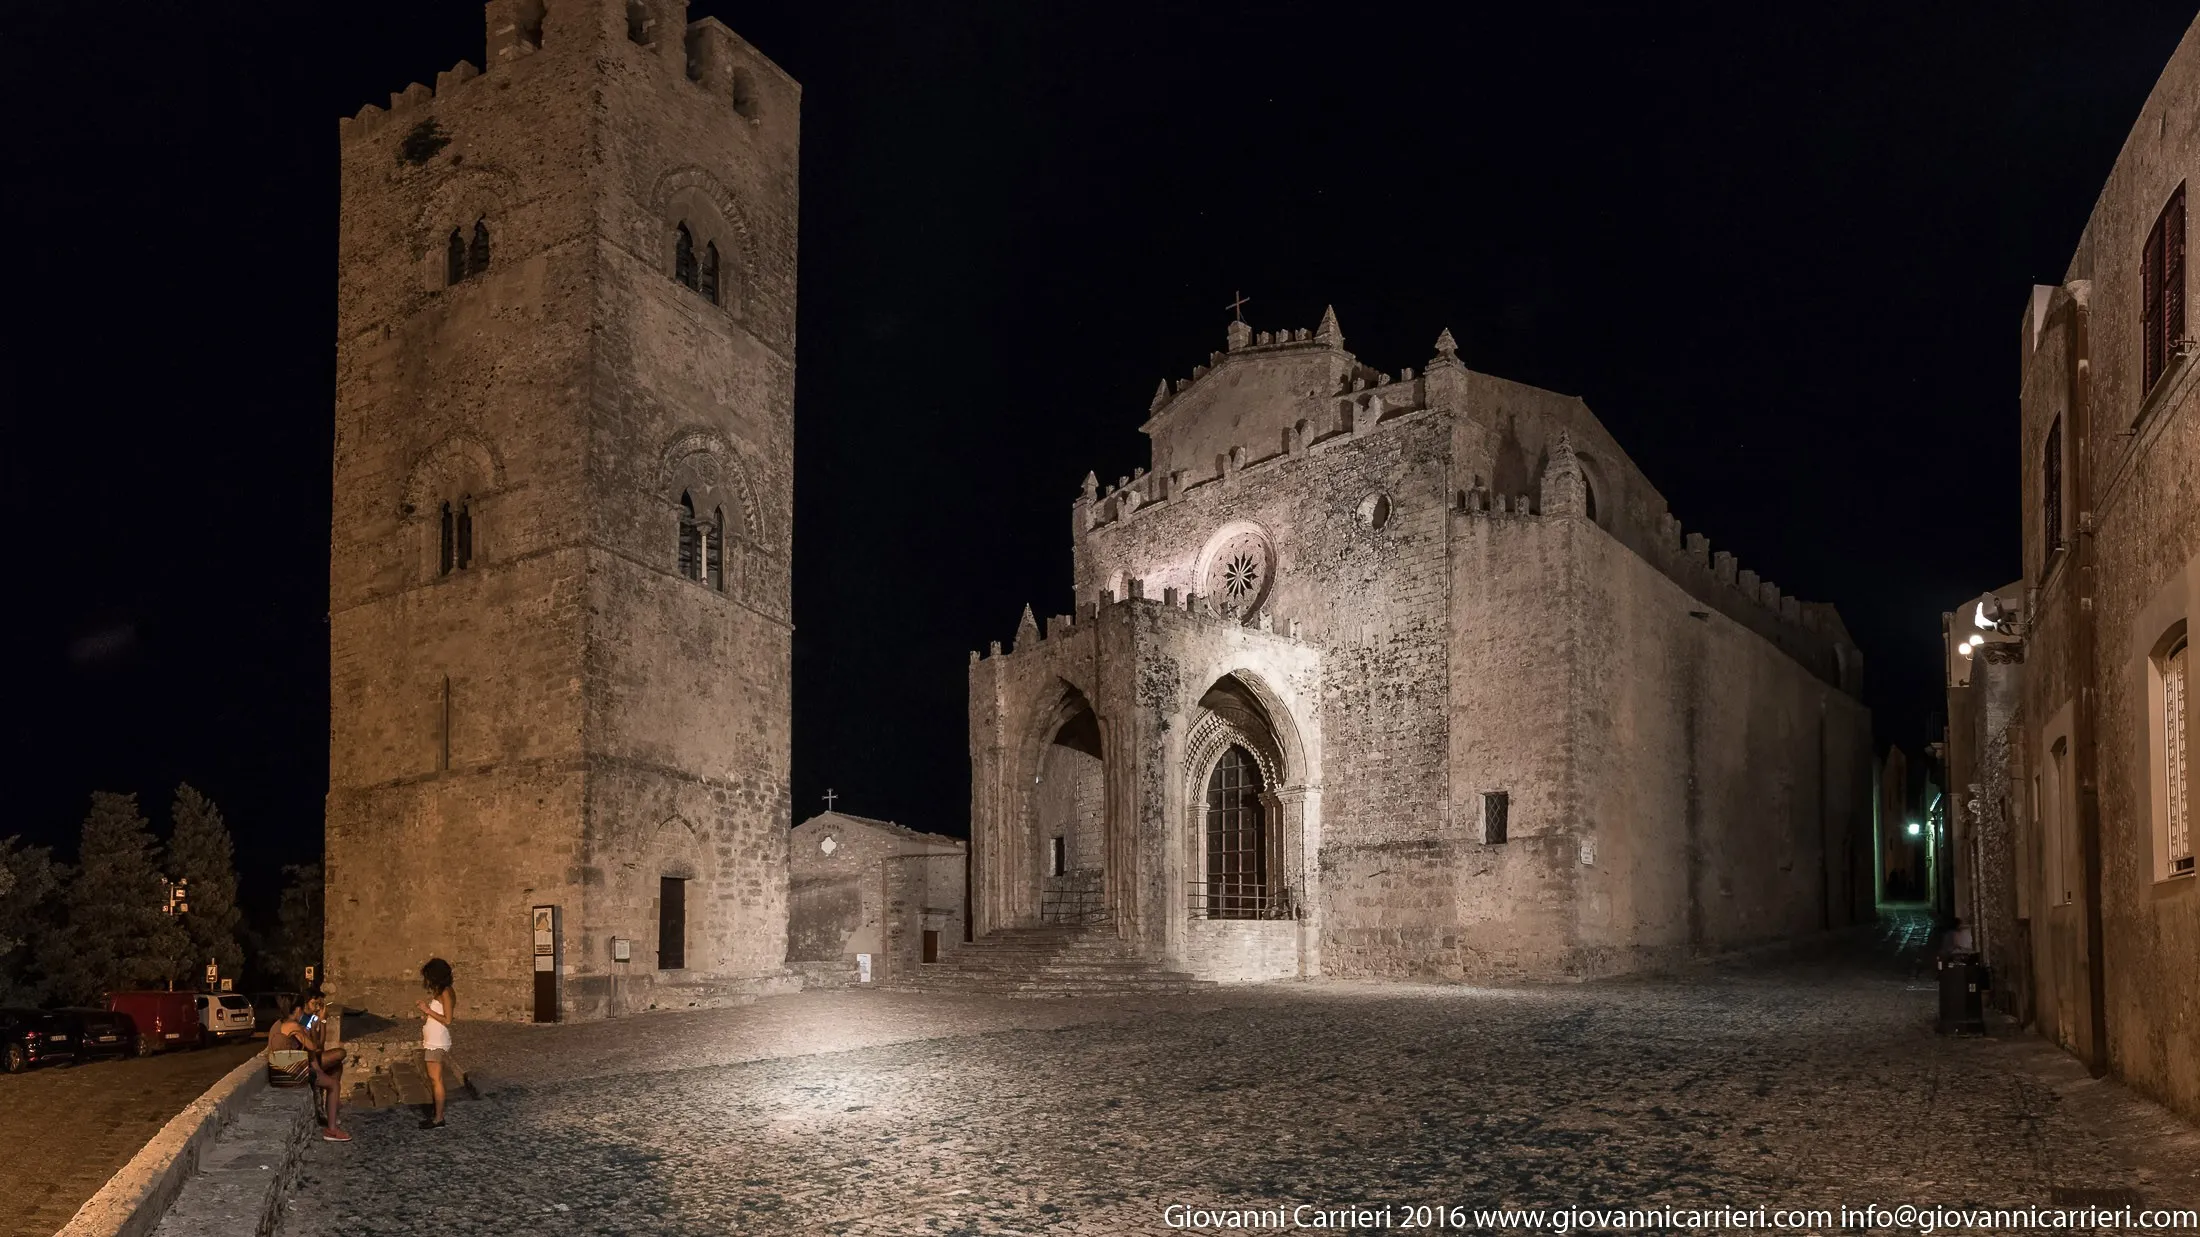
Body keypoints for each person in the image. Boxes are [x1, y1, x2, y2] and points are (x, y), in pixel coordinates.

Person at [270, 989, 350, 1142]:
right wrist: (314, 1027)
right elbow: (314, 1046)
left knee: (322, 1067)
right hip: (291, 1071)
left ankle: (329, 1113)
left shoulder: (278, 1024)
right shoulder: (294, 1026)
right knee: (334, 1085)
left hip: (278, 1068)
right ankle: (331, 1129)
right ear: (299, 1009)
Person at [416, 958, 456, 1129]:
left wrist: (427, 1010)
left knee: (436, 1079)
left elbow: (448, 1019)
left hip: (436, 1041)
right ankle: (437, 1114)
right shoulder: (442, 991)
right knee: (433, 1079)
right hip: (432, 1039)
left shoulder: (446, 992)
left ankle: (438, 1118)